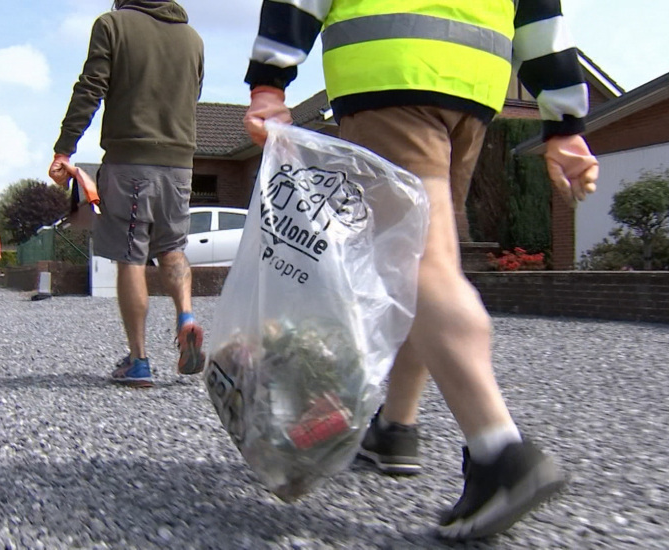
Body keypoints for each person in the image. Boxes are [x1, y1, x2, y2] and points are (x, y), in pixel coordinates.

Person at [243, 0, 598, 541]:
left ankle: (500, 451)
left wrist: (270, 79)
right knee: (426, 263)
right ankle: (395, 429)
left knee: (417, 262)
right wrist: (565, 119)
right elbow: (541, 16)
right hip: (474, 86)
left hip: (389, 71)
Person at [48, 0, 205, 387]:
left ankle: (139, 361)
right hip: (180, 162)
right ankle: (185, 315)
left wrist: (64, 148)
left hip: (130, 160)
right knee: (172, 247)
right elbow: (193, 94)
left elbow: (91, 88)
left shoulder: (112, 25)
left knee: (130, 256)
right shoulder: (193, 38)